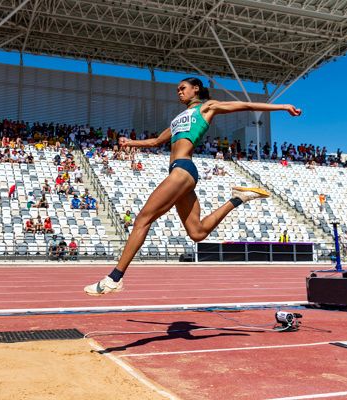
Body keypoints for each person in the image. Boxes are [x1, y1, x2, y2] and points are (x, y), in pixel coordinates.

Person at [84, 76, 301, 295]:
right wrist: (129, 142)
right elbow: (156, 142)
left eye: (182, 88)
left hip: (183, 170)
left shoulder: (207, 107)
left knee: (142, 219)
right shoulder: (178, 119)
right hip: (179, 171)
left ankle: (115, 278)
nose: (179, 92)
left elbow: (244, 105)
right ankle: (238, 198)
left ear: (195, 89)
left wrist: (282, 106)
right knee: (197, 232)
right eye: (177, 89)